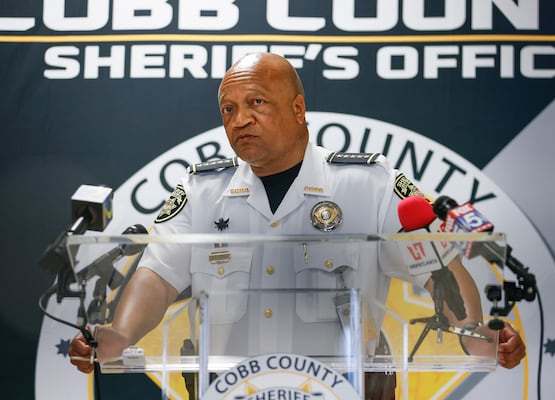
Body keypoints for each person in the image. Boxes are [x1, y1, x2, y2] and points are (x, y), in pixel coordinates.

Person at [69, 52, 526, 398]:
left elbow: (441, 271)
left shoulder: (369, 183)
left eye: (256, 102)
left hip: (342, 391)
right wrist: (120, 335)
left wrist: (475, 335)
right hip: (229, 392)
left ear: (298, 108)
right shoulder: (201, 189)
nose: (239, 119)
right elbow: (157, 277)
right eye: (228, 110)